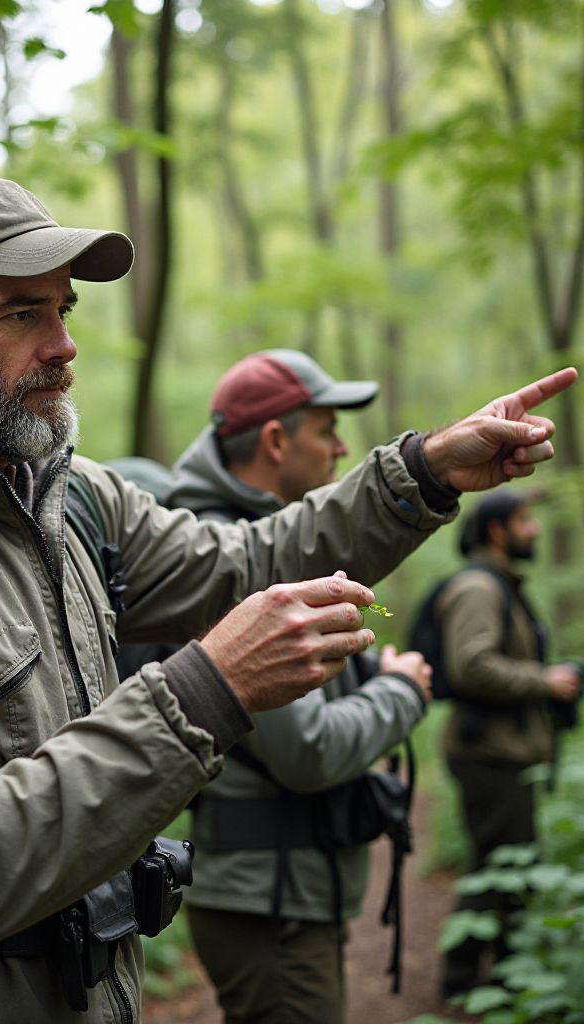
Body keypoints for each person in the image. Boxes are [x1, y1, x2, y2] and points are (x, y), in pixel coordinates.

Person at [0, 170, 575, 1024]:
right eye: (22, 314)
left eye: (64, 310)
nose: (64, 345)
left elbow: (245, 561)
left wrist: (423, 471)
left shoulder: (64, 499)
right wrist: (209, 688)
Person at [151, 350, 434, 1024]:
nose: (341, 447)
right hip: (267, 903)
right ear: (276, 441)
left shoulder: (262, 551)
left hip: (281, 891)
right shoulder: (226, 561)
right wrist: (401, 693)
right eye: (326, 429)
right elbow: (307, 749)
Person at [437, 489, 582, 998]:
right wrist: (545, 681)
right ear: (497, 531)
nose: (535, 529)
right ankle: (470, 980)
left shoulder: (500, 584)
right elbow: (470, 665)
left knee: (504, 865)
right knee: (501, 868)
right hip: (490, 753)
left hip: (503, 749)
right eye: (524, 520)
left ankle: (500, 975)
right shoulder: (479, 587)